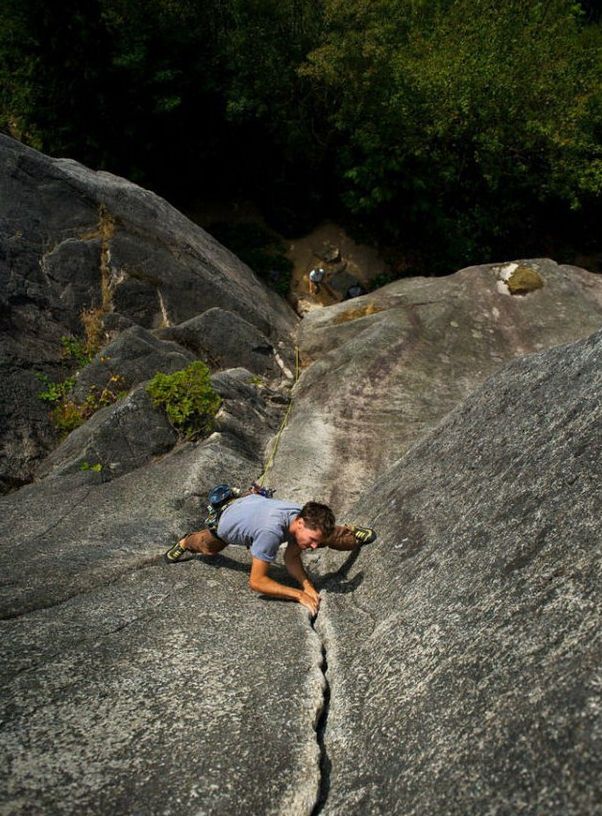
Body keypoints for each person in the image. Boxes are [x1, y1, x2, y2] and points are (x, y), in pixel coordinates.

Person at [164, 493, 376, 616]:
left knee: (327, 537)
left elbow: (290, 557)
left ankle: (351, 531)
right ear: (300, 523)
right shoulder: (270, 533)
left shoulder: (299, 516)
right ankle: (185, 541)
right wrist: (300, 595)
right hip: (228, 519)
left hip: (253, 503)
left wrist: (308, 585)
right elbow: (257, 582)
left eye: (314, 541)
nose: (312, 547)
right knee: (208, 547)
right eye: (310, 540)